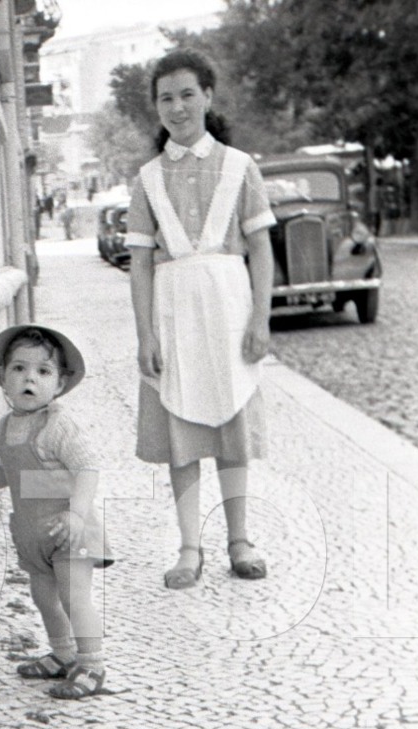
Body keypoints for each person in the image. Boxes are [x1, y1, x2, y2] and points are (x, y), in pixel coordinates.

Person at [126, 48, 275, 588]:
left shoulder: (239, 167)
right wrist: (145, 334)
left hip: (230, 313)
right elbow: (140, 262)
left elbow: (260, 248)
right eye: (166, 97)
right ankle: (190, 546)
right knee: (183, 432)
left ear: (208, 97)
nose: (178, 106)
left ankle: (240, 540)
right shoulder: (146, 179)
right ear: (155, 107)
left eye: (188, 94)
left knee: (232, 429)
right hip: (174, 316)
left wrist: (261, 318)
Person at [0, 325, 114, 699]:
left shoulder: (58, 425)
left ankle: (92, 663)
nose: (29, 379)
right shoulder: (5, 427)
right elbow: (9, 472)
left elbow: (87, 469)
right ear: (3, 378)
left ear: (60, 385)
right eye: (19, 369)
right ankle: (64, 654)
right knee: (43, 597)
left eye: (43, 371)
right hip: (33, 532)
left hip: (70, 530)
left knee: (74, 597)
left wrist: (76, 513)